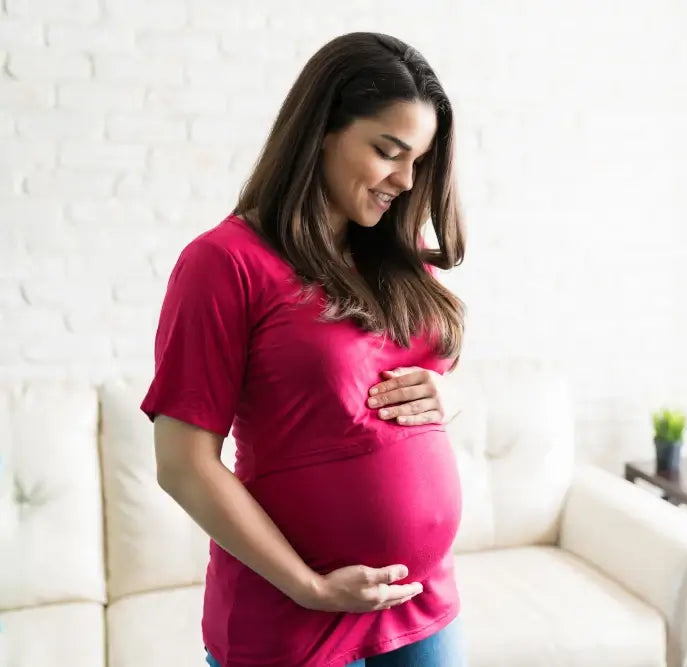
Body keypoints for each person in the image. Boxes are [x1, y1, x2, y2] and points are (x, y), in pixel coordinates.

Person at [141, 32, 468, 667]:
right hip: (292, 617)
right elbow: (182, 463)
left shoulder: (393, 259)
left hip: (421, 600)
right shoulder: (222, 264)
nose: (404, 180)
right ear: (322, 130)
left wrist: (447, 398)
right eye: (387, 151)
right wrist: (310, 587)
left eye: (419, 161)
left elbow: (410, 375)